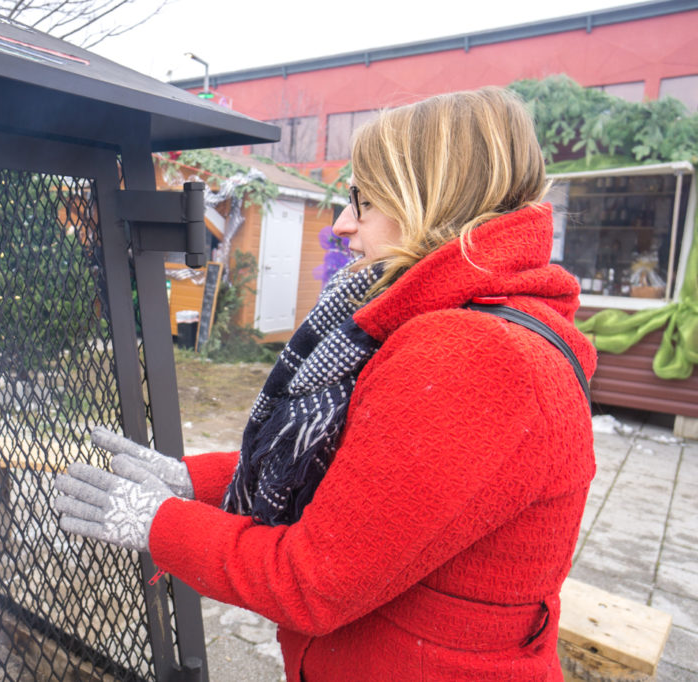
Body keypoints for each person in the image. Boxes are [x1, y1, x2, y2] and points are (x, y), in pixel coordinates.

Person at [55, 87, 596, 680]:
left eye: (363, 200)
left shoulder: (471, 355)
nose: (342, 225)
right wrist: (191, 480)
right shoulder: (476, 323)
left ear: (429, 198)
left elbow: (312, 583)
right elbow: (363, 476)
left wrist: (158, 521)